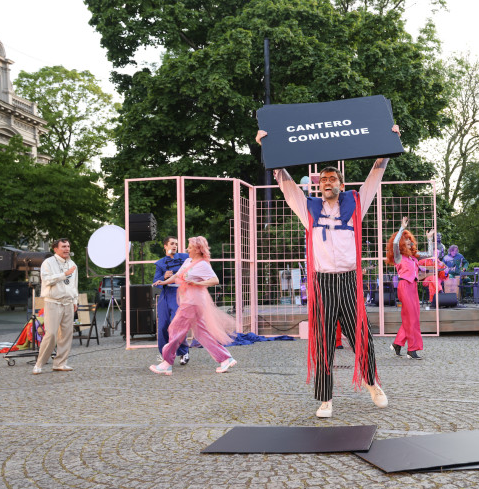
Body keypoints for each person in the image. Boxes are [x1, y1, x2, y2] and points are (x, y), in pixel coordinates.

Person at [257, 124, 399, 418]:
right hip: (322, 282)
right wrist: (267, 148)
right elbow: (286, 186)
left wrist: (388, 141)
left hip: (348, 280)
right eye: (323, 179)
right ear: (317, 184)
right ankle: (325, 399)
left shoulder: (356, 203)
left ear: (341, 184)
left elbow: (375, 176)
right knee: (322, 340)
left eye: (332, 178)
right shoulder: (309, 209)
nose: (327, 182)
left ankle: (372, 382)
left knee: (361, 334)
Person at [149, 236, 237, 375]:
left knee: (175, 329)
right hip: (189, 301)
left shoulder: (202, 264)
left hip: (193, 302)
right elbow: (178, 275)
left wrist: (197, 283)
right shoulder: (189, 261)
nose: (186, 249)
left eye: (189, 247)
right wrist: (163, 282)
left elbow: (215, 280)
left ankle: (167, 362)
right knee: (202, 333)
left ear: (197, 249)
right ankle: (226, 358)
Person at [386, 217, 434, 359]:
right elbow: (394, 242)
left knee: (413, 317)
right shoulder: (398, 256)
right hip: (404, 286)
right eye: (405, 239)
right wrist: (402, 228)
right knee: (411, 318)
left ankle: (397, 343)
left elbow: (429, 254)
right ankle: (412, 349)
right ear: (401, 242)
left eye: (409, 239)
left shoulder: (413, 257)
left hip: (413, 287)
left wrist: (429, 239)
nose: (408, 241)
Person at [33, 238, 78, 374]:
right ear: (55, 249)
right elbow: (46, 280)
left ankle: (60, 363)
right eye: (63, 246)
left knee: (66, 334)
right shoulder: (48, 263)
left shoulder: (72, 264)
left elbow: (74, 284)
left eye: (68, 246)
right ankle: (39, 363)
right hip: (53, 302)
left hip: (68, 302)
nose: (67, 249)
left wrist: (75, 301)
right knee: (51, 334)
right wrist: (64, 274)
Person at [153, 236, 190, 365]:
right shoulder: (160, 263)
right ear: (165, 246)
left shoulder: (185, 257)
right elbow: (155, 283)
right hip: (165, 295)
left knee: (177, 325)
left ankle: (183, 352)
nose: (174, 246)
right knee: (163, 325)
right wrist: (164, 276)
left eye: (176, 244)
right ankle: (164, 354)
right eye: (172, 244)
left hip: (180, 294)